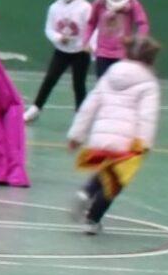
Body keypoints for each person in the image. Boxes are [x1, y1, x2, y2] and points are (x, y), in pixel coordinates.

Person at [67, 34, 161, 235]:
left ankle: (86, 192)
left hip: (100, 136)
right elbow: (147, 116)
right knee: (116, 181)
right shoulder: (149, 82)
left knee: (106, 171)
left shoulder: (111, 73)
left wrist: (76, 135)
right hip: (127, 141)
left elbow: (90, 105)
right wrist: (144, 143)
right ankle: (92, 219)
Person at [25, 0, 94, 124]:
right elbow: (49, 29)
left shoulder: (85, 8)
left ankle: (81, 114)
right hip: (61, 52)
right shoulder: (54, 8)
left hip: (80, 53)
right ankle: (36, 108)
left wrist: (89, 45)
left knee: (79, 84)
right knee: (50, 79)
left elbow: (92, 28)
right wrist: (58, 38)